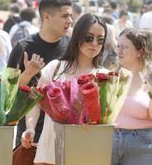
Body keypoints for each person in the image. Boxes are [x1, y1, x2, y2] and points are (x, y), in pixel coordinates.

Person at [21, 13, 107, 165]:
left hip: (87, 156)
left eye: (100, 40)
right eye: (89, 37)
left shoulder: (104, 76)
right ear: (78, 36)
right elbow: (35, 102)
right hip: (49, 153)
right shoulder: (55, 68)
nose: (94, 43)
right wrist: (31, 128)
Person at [7, 0, 72, 147]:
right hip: (29, 134)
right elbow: (7, 91)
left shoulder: (71, 48)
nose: (69, 21)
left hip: (62, 132)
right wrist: (27, 74)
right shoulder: (23, 47)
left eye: (70, 16)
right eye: (64, 16)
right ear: (47, 16)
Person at [111, 28, 152, 165]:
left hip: (141, 144)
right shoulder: (111, 76)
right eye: (118, 46)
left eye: (125, 47)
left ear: (140, 51)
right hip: (108, 140)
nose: (119, 51)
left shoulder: (149, 78)